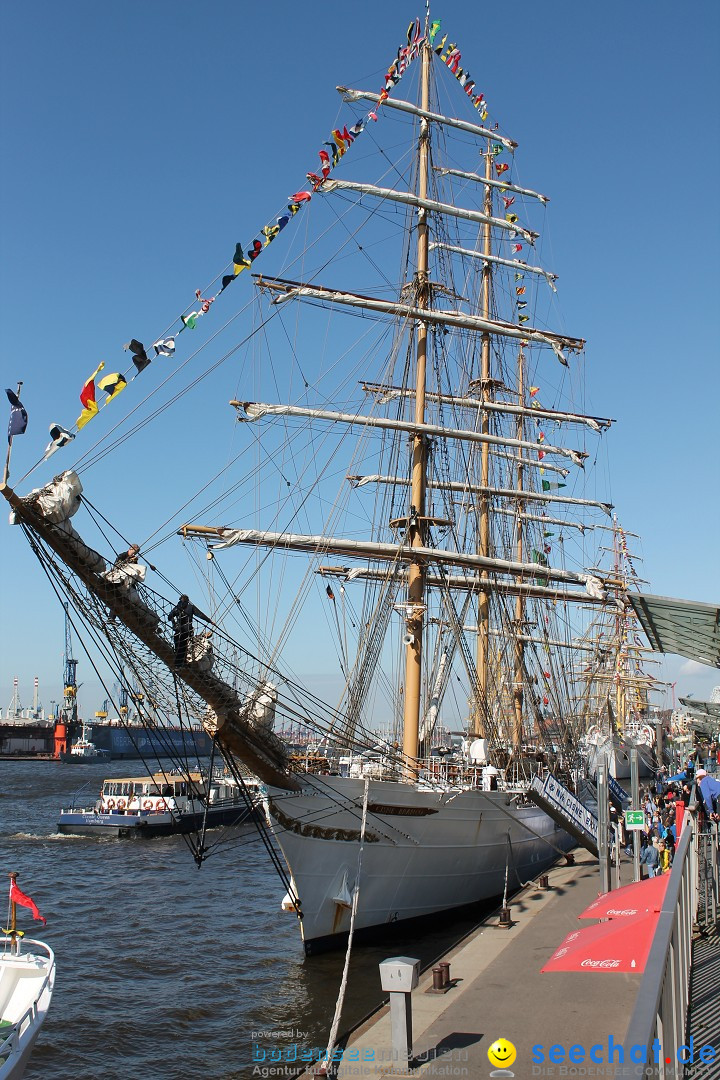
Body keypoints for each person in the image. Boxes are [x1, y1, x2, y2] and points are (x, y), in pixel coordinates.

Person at [168, 594, 212, 666]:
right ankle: (181, 663)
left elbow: (169, 617)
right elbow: (200, 615)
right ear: (187, 600)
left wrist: (174, 623)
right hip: (186, 630)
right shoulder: (190, 607)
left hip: (178, 630)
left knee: (177, 647)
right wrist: (209, 621)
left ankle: (178, 664)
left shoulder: (177, 608)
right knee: (183, 647)